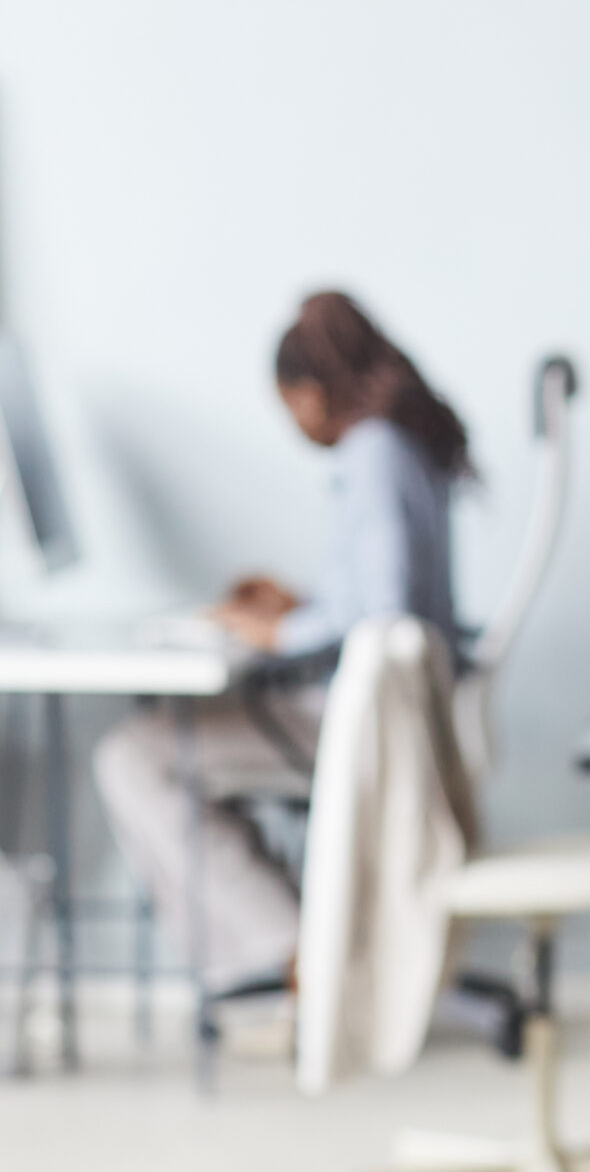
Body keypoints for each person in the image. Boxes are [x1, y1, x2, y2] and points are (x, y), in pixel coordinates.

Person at [93, 290, 470, 993]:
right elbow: (384, 598)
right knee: (168, 760)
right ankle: (288, 953)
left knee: (132, 757)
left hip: (363, 720)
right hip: (401, 708)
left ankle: (294, 954)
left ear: (312, 391)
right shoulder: (402, 445)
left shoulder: (374, 452)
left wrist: (280, 630)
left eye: (290, 404)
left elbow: (384, 619)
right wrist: (305, 603)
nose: (294, 423)